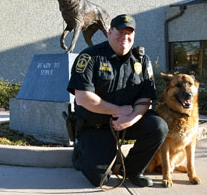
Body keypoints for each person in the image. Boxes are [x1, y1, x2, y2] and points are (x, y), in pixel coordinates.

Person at [67, 14, 168, 187]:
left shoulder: (142, 60)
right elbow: (83, 98)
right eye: (120, 32)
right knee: (100, 180)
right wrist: (119, 110)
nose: (125, 37)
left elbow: (145, 98)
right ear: (109, 32)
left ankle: (132, 170)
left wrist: (131, 118)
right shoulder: (90, 57)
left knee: (158, 127)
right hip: (97, 126)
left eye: (129, 33)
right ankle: (80, 152)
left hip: (128, 121)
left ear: (134, 35)